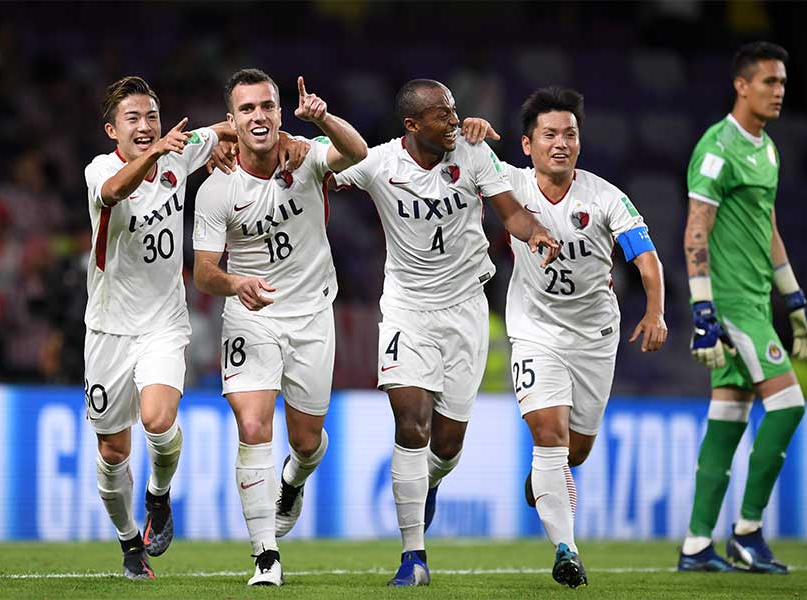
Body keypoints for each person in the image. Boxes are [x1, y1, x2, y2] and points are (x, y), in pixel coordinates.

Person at [332, 79, 560, 587]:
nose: (455, 120)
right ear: (412, 125)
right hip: (407, 310)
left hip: (465, 311)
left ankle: (430, 481)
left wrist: (537, 232)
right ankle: (413, 556)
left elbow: (511, 213)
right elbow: (318, 171)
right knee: (411, 425)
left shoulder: (473, 154)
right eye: (442, 114)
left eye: (455, 110)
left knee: (447, 446)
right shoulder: (379, 163)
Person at [83, 75, 299, 580]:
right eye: (133, 119)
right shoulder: (100, 169)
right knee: (113, 452)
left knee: (158, 422)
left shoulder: (178, 151)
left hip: (163, 323)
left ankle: (158, 496)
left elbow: (234, 127)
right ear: (112, 130)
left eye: (152, 116)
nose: (145, 126)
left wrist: (286, 138)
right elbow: (115, 191)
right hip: (108, 328)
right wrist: (157, 152)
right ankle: (129, 541)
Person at [192, 68, 367, 586]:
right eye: (246, 109)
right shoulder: (216, 187)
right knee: (252, 427)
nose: (259, 116)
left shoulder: (307, 156)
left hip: (312, 313)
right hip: (251, 316)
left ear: (279, 111)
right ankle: (265, 556)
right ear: (231, 121)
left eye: (267, 106)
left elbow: (357, 152)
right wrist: (235, 283)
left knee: (307, 441)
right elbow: (203, 272)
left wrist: (322, 119)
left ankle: (293, 479)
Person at [495, 86, 667, 588]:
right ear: (527, 144)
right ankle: (566, 550)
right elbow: (461, 154)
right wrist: (475, 130)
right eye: (549, 134)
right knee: (549, 436)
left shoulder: (605, 196)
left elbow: (646, 258)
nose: (561, 143)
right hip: (534, 330)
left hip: (594, 336)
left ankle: (545, 477)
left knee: (575, 451)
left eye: (569, 134)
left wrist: (655, 311)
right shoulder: (510, 183)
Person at [678, 41, 807, 574]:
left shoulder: (769, 149)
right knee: (789, 406)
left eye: (782, 82)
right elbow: (695, 231)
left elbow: (769, 228)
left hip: (759, 299)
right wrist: (704, 312)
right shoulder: (717, 148)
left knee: (729, 416)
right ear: (742, 85)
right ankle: (747, 532)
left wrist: (795, 299)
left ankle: (696, 545)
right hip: (733, 304)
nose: (779, 91)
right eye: (769, 82)